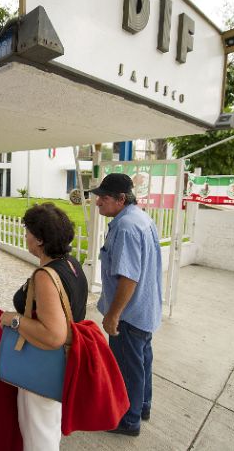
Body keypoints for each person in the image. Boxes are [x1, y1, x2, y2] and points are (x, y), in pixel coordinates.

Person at [0, 203, 88, 451]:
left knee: (39, 437)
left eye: (27, 232)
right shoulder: (71, 264)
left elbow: (53, 335)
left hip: (43, 362)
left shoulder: (46, 276)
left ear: (39, 239)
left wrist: (12, 320)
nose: (25, 236)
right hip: (60, 362)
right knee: (47, 427)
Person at [90, 173, 163, 437]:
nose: (98, 203)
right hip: (145, 310)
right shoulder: (140, 218)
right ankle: (142, 406)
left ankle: (129, 421)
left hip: (130, 315)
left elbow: (128, 277)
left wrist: (113, 315)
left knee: (128, 368)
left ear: (121, 199)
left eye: (104, 198)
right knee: (142, 361)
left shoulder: (126, 227)